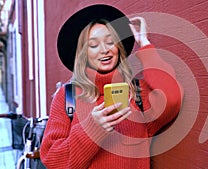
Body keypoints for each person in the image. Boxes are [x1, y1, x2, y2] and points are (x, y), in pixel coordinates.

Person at [40, 4, 183, 169]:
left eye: (111, 41)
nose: (105, 50)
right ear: (83, 54)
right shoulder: (68, 97)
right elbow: (52, 159)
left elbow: (171, 99)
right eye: (93, 45)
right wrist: (92, 129)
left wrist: (144, 44)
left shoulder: (137, 94)